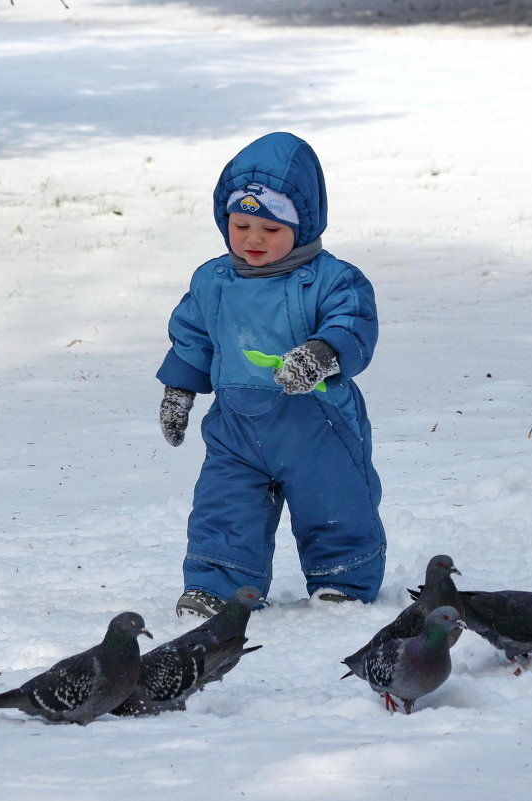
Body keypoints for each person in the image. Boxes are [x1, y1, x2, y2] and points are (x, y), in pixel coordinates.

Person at [156, 131, 386, 618]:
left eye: (271, 229)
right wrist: (178, 390)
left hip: (317, 423)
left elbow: (353, 325)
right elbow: (193, 337)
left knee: (336, 502)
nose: (253, 240)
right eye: (240, 225)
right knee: (224, 507)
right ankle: (219, 586)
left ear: (302, 228)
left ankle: (343, 578)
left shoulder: (332, 278)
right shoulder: (213, 280)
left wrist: (322, 354)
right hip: (237, 426)